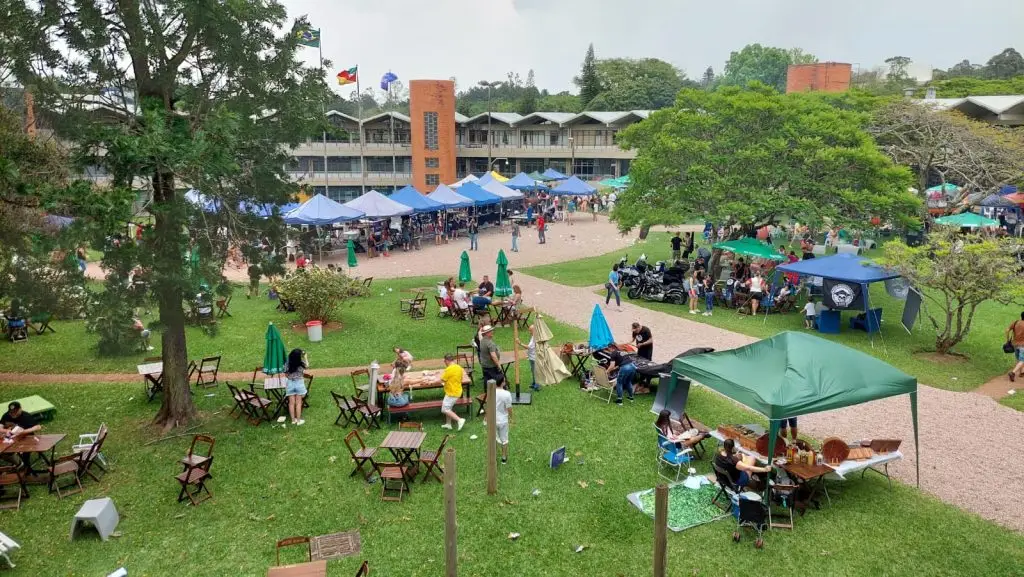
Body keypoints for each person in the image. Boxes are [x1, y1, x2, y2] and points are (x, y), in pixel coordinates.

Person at [439, 354, 466, 431]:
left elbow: (442, 380)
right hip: (457, 390)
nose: (444, 362)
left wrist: (430, 381)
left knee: (445, 409)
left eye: (444, 361)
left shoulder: (449, 369)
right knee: (449, 407)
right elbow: (460, 379)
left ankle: (459, 420)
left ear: (447, 360)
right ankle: (448, 424)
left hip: (452, 392)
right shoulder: (459, 367)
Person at [284, 349, 308, 425]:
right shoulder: (301, 364)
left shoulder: (287, 363)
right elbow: (307, 366)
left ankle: (293, 420)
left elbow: (286, 374)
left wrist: (290, 378)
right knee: (298, 403)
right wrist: (305, 357)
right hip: (299, 383)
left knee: (291, 403)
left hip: (290, 383)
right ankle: (298, 420)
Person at [517, 324, 540, 392]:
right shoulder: (533, 336)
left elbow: (529, 347)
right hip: (532, 357)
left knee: (535, 372)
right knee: (533, 371)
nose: (529, 332)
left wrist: (520, 343)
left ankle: (537, 386)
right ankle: (534, 383)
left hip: (534, 358)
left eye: (530, 330)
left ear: (534, 330)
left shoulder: (535, 338)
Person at [1007, 312, 1024, 382]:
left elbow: (1007, 330)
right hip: (1023, 345)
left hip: (1015, 344)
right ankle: (1013, 373)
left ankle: (1022, 373)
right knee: (1022, 360)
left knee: (1019, 360)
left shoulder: (1016, 322)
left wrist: (1007, 340)